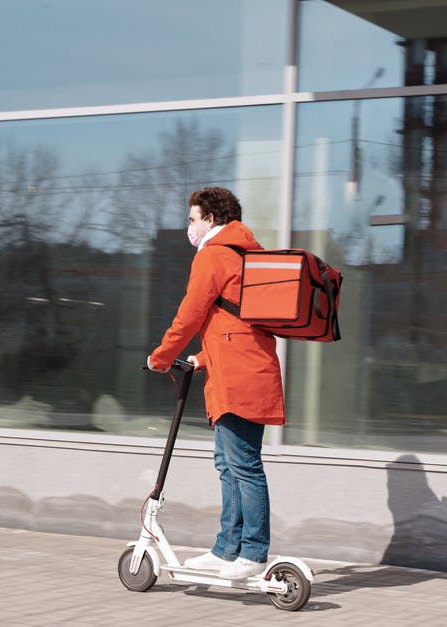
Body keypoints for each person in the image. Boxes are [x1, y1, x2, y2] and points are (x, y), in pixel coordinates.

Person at [146, 186, 285, 580]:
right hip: (245, 368)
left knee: (244, 466)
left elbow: (191, 313)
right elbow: (240, 324)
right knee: (229, 464)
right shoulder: (248, 254)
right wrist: (203, 357)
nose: (188, 226)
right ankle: (227, 549)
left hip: (239, 378)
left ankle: (253, 553)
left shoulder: (213, 255)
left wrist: (160, 356)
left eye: (192, 219)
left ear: (210, 218)